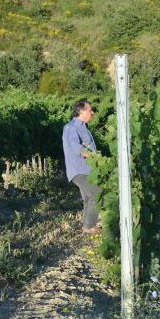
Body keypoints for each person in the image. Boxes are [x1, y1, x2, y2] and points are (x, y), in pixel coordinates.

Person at [62, 99, 101, 234]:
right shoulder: (72, 127)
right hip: (80, 170)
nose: (93, 112)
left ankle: (88, 226)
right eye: (90, 110)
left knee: (88, 198)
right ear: (83, 112)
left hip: (86, 170)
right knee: (96, 194)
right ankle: (89, 226)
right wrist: (93, 156)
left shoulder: (81, 126)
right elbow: (76, 147)